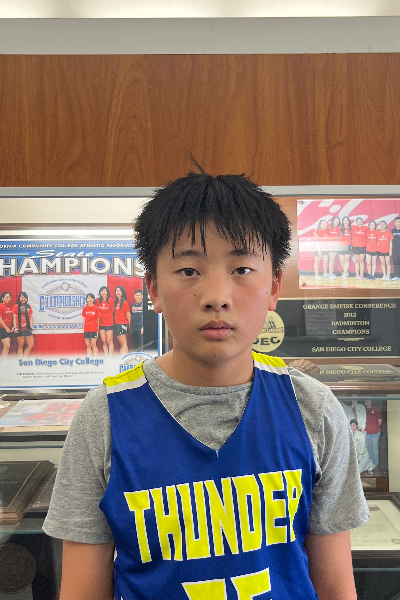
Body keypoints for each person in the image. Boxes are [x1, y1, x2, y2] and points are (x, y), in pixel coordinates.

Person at [43, 172, 368, 600]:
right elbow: (82, 591)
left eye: (242, 269)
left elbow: (335, 585)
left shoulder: (312, 406)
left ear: (274, 287)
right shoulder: (104, 416)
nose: (216, 295)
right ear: (154, 289)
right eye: (188, 270)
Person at [12, 291, 34, 356]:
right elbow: (14, 318)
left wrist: (31, 326)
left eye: (25, 297)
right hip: (19, 328)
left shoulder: (28, 306)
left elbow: (31, 317)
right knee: (21, 345)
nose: (23, 299)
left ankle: (24, 359)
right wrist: (15, 327)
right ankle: (20, 360)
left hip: (27, 328)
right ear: (19, 298)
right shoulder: (16, 306)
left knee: (31, 344)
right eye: (22, 297)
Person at [364, 400, 382, 473]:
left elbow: (379, 420)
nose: (367, 402)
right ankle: (370, 463)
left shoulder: (375, 409)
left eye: (369, 401)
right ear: (364, 402)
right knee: (368, 448)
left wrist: (375, 428)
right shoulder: (363, 410)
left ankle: (375, 463)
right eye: (366, 401)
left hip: (375, 432)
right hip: (366, 433)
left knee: (374, 447)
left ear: (371, 402)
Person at [97, 286, 115, 355]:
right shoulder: (97, 301)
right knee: (104, 342)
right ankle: (106, 358)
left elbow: (113, 312)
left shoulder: (111, 300)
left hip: (109, 323)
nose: (103, 292)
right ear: (100, 293)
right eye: (102, 291)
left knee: (109, 341)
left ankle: (111, 358)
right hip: (101, 324)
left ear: (107, 292)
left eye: (104, 291)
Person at [114, 286, 131, 354]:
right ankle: (122, 358)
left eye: (119, 291)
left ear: (122, 292)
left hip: (122, 323)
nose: (118, 292)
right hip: (117, 324)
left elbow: (128, 314)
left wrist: (129, 325)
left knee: (124, 343)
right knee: (121, 343)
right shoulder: (117, 302)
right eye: (117, 291)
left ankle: (125, 358)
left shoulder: (124, 302)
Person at [337, 216, 352, 280]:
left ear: (349, 222)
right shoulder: (340, 228)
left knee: (346, 260)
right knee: (341, 260)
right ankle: (345, 272)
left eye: (347, 220)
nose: (346, 222)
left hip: (348, 246)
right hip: (341, 246)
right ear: (342, 221)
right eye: (344, 220)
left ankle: (345, 274)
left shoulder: (351, 229)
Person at [0, 291, 14, 356]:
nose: (8, 299)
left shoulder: (11, 306)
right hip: (2, 329)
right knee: (7, 346)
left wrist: (13, 327)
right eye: (6, 297)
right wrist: (6, 328)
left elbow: (13, 318)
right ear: (2, 298)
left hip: (10, 329)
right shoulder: (0, 306)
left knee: (7, 348)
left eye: (9, 297)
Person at [327, 216, 341, 280]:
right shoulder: (328, 226)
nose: (336, 221)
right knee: (331, 259)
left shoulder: (338, 228)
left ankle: (331, 273)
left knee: (333, 259)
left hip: (335, 246)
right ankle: (330, 274)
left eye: (337, 220)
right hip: (329, 245)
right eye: (335, 220)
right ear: (332, 221)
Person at [391, 216, 400, 281]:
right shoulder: (392, 231)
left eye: (399, 222)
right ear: (394, 222)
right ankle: (397, 276)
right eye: (396, 222)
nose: (397, 223)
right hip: (395, 250)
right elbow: (390, 241)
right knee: (396, 263)